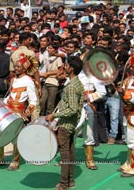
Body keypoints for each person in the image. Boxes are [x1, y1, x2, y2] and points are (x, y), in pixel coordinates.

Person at [0, 55, 38, 171]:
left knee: (16, 138)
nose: (15, 68)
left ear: (24, 68)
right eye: (15, 66)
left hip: (19, 113)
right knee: (0, 133)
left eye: (18, 66)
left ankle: (15, 161)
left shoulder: (29, 81)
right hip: (8, 110)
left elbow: (34, 100)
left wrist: (28, 111)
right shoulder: (13, 79)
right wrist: (2, 102)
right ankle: (0, 158)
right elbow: (10, 97)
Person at [46, 57, 84, 190]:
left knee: (65, 154)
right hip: (72, 124)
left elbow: (72, 109)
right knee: (71, 151)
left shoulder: (72, 87)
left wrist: (54, 115)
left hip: (66, 124)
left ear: (71, 68)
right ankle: (70, 181)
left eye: (66, 65)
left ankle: (63, 184)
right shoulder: (77, 83)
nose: (64, 67)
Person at [117, 56, 134, 177]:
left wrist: (125, 93)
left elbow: (131, 96)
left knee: (133, 140)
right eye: (132, 66)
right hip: (127, 112)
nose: (132, 68)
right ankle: (129, 163)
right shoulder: (129, 79)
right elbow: (121, 92)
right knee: (129, 139)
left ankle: (133, 167)